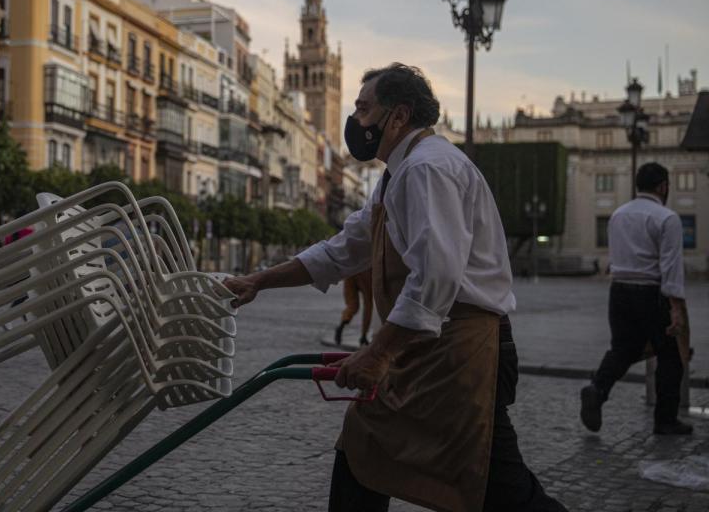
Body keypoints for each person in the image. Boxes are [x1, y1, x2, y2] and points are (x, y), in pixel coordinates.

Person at [224, 63, 566, 512]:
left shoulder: (428, 169)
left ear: (398, 116)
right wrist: (258, 281)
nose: (356, 122)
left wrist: (378, 352)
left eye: (364, 110)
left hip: (464, 352)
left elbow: (436, 277)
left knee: (497, 487)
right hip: (432, 349)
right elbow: (345, 248)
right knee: (362, 448)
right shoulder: (398, 175)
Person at [581, 162, 691, 436]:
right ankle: (665, 420)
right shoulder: (667, 218)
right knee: (670, 356)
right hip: (651, 293)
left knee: (622, 350)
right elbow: (671, 266)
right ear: (663, 186)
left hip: (619, 291)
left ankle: (597, 389)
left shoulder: (618, 215)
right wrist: (676, 307)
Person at [335, 270, 373, 346]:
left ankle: (342, 324)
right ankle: (364, 335)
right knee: (368, 304)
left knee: (352, 305)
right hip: (366, 270)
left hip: (351, 271)